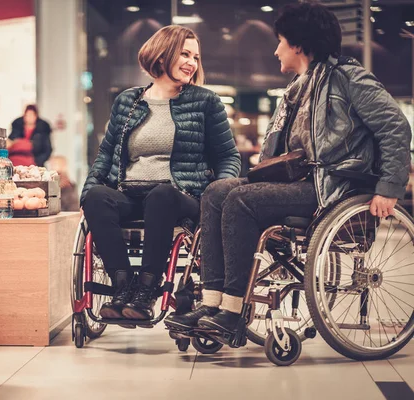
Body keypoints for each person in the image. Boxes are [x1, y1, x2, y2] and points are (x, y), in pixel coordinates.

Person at [165, 1, 412, 334]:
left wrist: (388, 187)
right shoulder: (298, 88)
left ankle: (234, 310)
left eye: (280, 40)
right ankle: (212, 302)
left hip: (332, 187)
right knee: (216, 191)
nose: (276, 50)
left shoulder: (347, 77)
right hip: (299, 183)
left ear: (298, 44)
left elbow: (395, 126)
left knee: (241, 200)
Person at [81, 25, 241, 323]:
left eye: (195, 56)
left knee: (161, 195)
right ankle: (122, 287)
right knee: (96, 197)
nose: (192, 62)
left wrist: (217, 193)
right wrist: (89, 187)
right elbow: (106, 153)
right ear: (162, 54)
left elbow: (228, 156)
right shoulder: (128, 102)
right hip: (131, 193)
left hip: (180, 196)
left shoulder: (205, 102)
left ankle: (146, 289)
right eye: (184, 54)